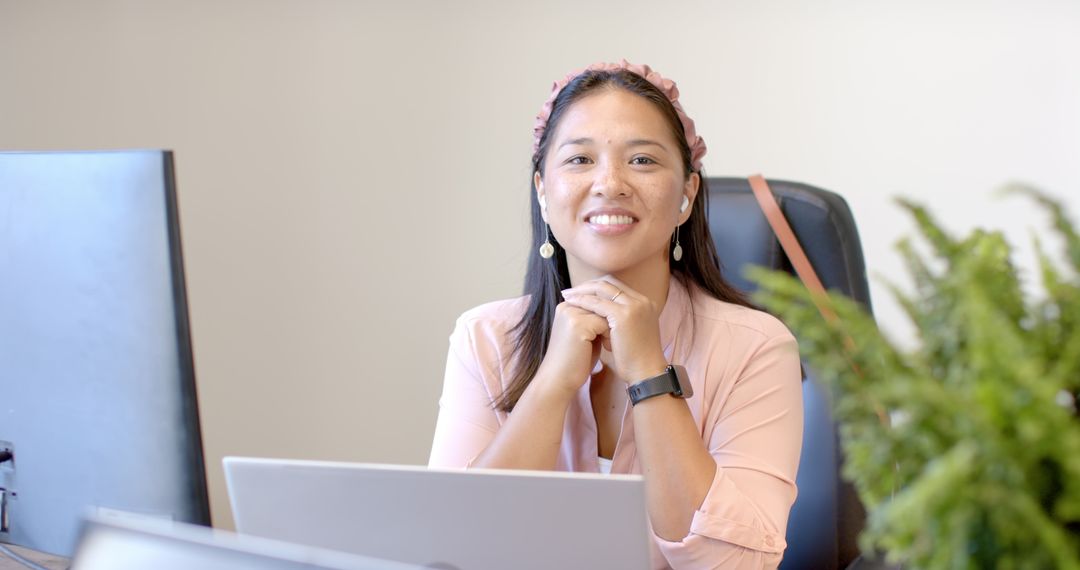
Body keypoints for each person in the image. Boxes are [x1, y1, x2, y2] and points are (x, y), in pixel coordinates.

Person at [428, 60, 803, 570]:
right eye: (580, 159)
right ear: (543, 191)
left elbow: (736, 565)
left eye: (643, 160)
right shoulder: (486, 339)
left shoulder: (756, 346)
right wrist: (551, 386)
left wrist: (651, 374)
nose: (610, 183)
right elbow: (455, 552)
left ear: (687, 196)